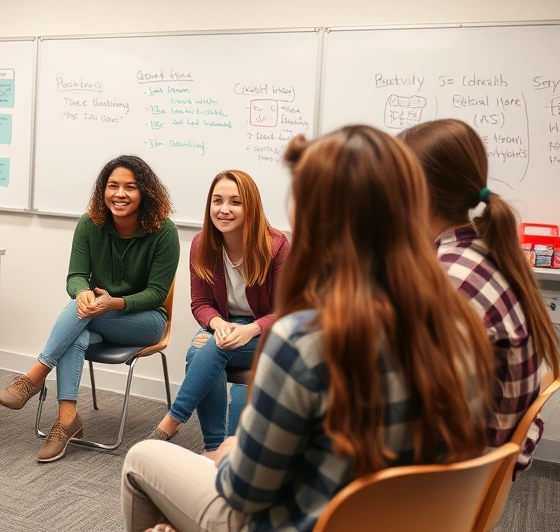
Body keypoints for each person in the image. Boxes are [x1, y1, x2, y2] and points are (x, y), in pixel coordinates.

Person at [121, 125, 496, 532]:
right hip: (399, 517)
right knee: (207, 358)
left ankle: (179, 431)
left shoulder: (304, 340)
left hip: (299, 520)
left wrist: (231, 451)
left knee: (142, 458)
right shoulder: (459, 321)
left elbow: (246, 492)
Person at [399, 118, 560, 478]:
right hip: (477, 474)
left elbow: (416, 419)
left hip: (442, 483)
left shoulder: (450, 281)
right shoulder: (484, 251)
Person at [0, 155, 179, 463]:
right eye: (113, 186)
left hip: (145, 322)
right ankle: (67, 419)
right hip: (96, 316)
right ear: (102, 190)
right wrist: (82, 292)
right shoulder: (90, 223)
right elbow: (76, 275)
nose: (120, 194)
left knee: (77, 318)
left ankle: (36, 374)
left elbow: (157, 293)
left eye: (130, 187)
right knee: (75, 332)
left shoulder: (164, 231)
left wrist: (115, 303)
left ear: (145, 192)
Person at [150, 170, 288, 454]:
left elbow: (288, 310)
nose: (224, 209)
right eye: (217, 201)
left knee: (209, 349)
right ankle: (215, 449)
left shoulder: (276, 246)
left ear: (250, 206)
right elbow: (200, 303)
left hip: (268, 330)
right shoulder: (203, 244)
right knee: (200, 351)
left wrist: (249, 329)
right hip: (225, 324)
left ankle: (173, 421)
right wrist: (217, 323)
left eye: (235, 202)